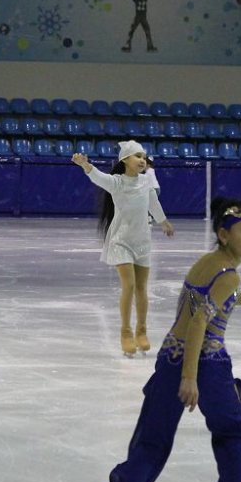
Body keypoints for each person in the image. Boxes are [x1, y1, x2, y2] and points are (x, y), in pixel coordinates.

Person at [86, 197, 241, 482]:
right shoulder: (229, 275)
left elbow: (218, 299)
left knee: (151, 441)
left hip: (170, 358)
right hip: (207, 365)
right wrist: (191, 378)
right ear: (224, 235)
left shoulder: (207, 263)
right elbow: (199, 322)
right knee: (233, 433)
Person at [72, 141, 174, 356]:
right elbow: (99, 177)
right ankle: (126, 332)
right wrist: (85, 165)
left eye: (144, 157)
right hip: (121, 241)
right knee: (129, 285)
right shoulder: (117, 183)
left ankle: (141, 330)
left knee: (142, 288)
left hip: (142, 241)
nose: (142, 160)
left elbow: (153, 204)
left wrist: (163, 222)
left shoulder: (146, 182)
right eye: (138, 156)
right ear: (125, 160)